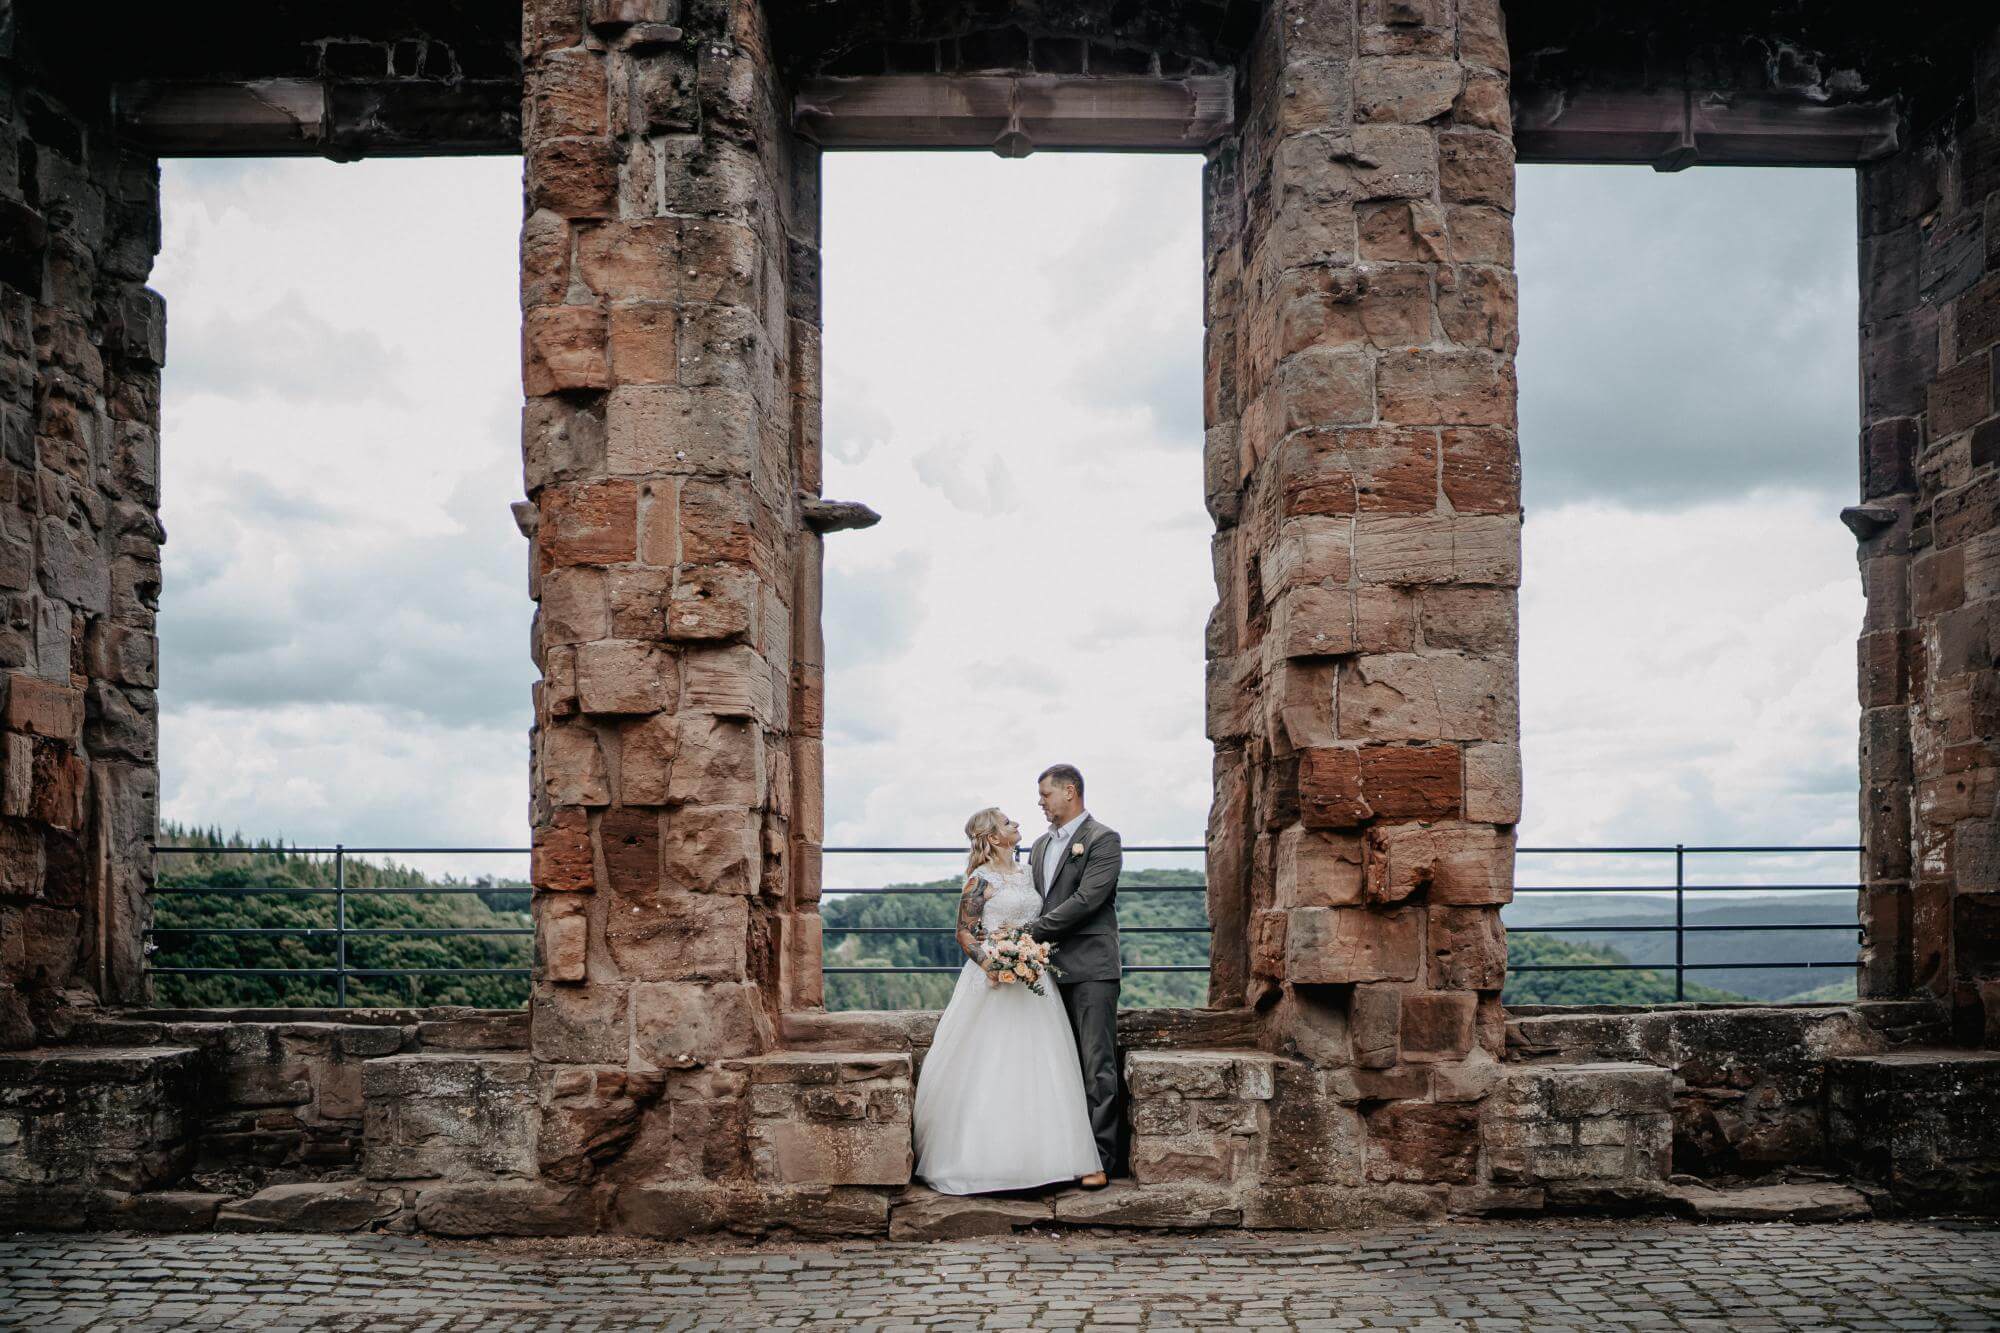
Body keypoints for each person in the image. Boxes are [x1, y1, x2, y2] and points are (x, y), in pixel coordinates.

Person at [911, 807, 1103, 1195]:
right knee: (991, 1064)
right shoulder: (979, 881)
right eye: (1007, 822)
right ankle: (984, 1161)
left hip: (1034, 981)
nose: (1016, 824)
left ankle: (1048, 1158)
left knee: (1042, 1067)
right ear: (995, 838)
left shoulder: (1029, 872)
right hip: (994, 981)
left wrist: (1027, 956)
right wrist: (992, 965)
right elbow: (964, 933)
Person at [1024, 763, 1124, 1185]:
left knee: (1096, 1064)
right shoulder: (1039, 846)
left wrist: (1030, 932)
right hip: (1043, 971)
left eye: (1045, 795)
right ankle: (1057, 1155)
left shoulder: (1103, 839)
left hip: (1091, 969)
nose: (1041, 803)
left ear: (1070, 791)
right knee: (1051, 1065)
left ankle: (1100, 1160)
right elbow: (1032, 898)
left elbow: (1088, 900)